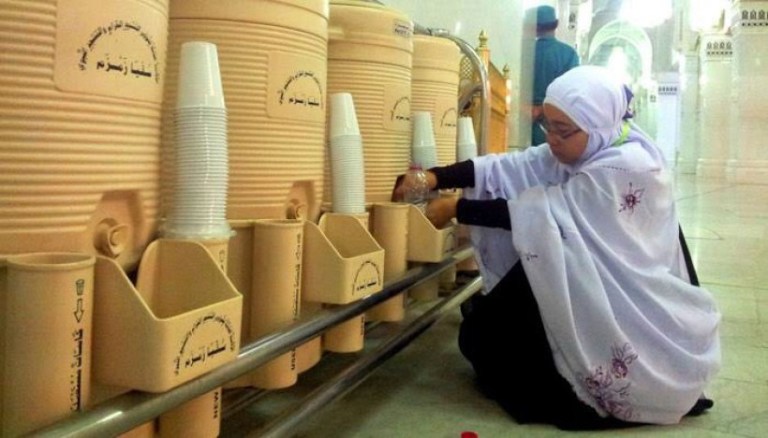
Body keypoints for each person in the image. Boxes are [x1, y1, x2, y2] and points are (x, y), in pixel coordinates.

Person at [392, 66, 720, 430]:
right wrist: (436, 176)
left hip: (620, 294)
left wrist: (457, 208)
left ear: (597, 124)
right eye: (548, 126)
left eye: (563, 131)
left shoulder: (623, 167)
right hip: (587, 271)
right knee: (484, 334)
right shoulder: (591, 144)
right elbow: (513, 166)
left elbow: (542, 215)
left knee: (492, 345)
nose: (552, 140)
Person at [531, 5, 579, 146]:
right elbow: (571, 92)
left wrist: (531, 110)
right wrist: (542, 109)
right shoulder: (569, 54)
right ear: (556, 24)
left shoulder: (524, 51)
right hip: (552, 124)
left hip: (523, 121)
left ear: (534, 27)